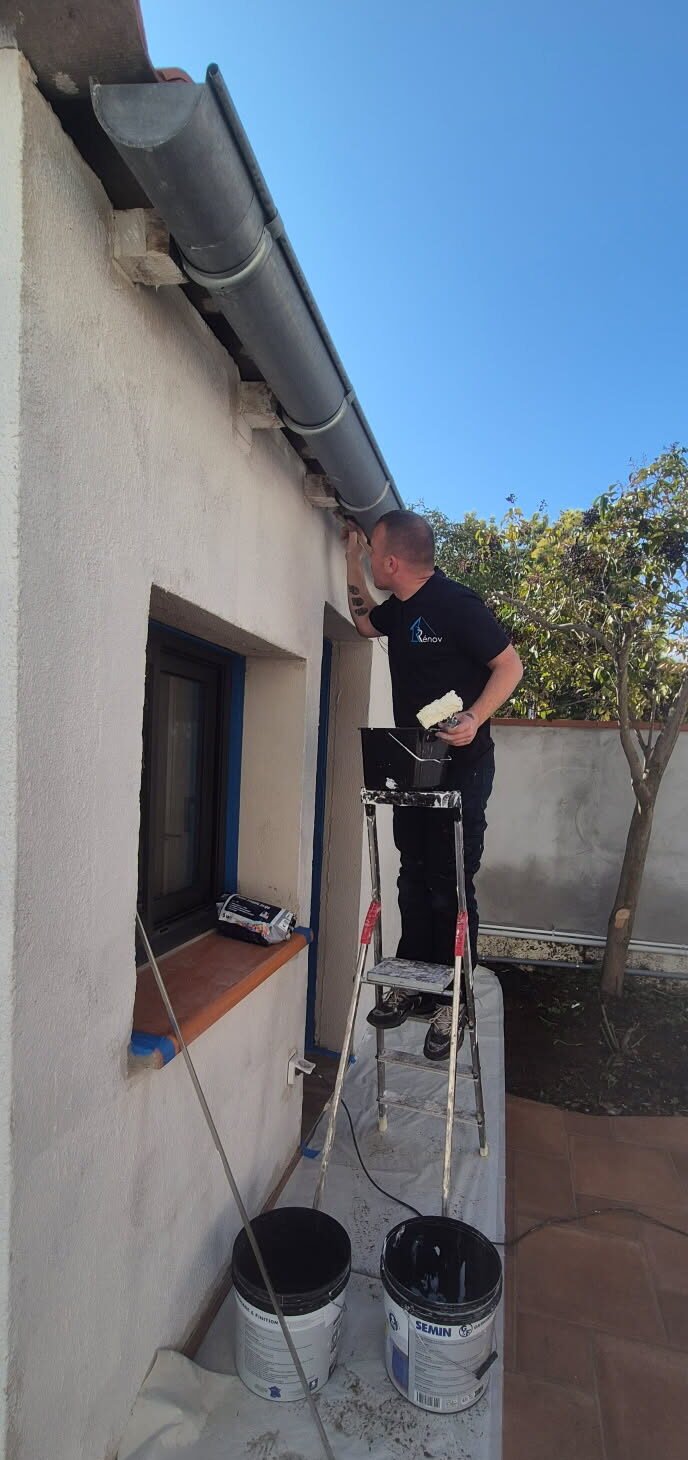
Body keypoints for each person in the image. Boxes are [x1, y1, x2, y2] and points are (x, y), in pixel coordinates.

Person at [345, 509, 523, 1060]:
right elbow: (362, 623)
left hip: (464, 770)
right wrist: (352, 559)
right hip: (415, 766)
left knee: (450, 881)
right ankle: (417, 985)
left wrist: (474, 717)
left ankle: (457, 997)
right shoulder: (400, 612)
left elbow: (510, 667)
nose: (373, 560)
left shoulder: (457, 604)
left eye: (374, 553)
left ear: (392, 561)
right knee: (412, 876)